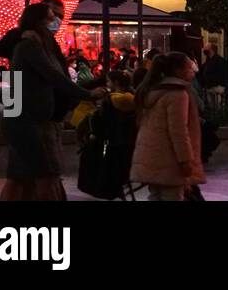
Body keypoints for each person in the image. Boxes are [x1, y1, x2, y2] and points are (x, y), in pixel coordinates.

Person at [0, 3, 107, 200]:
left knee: (20, 177)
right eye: (51, 17)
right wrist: (88, 94)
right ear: (38, 21)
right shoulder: (30, 44)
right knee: (46, 175)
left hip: (32, 118)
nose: (56, 21)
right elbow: (54, 77)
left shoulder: (43, 43)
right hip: (30, 120)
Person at [130, 52, 206, 200]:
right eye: (190, 68)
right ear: (179, 71)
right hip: (170, 161)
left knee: (156, 196)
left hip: (152, 157)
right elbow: (178, 131)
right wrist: (185, 161)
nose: (193, 71)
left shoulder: (153, 91)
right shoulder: (177, 94)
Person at [76, 70, 139, 200]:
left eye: (108, 81)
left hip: (110, 149)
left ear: (115, 83)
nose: (107, 84)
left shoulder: (110, 101)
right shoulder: (134, 98)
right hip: (129, 149)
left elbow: (99, 126)